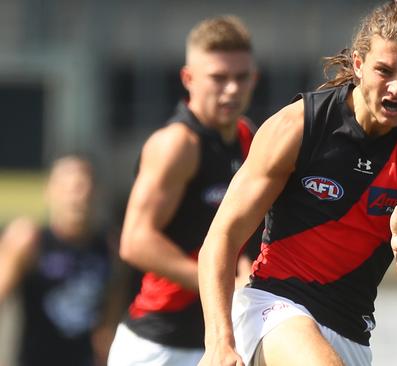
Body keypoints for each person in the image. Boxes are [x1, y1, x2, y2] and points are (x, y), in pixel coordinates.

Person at [196, 1, 397, 365]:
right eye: (384, 71)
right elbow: (221, 238)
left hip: (351, 332)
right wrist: (219, 343)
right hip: (273, 307)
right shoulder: (298, 126)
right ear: (358, 64)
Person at [107, 15, 260, 366]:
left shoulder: (248, 138)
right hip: (158, 344)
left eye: (242, 77)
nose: (232, 89)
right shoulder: (177, 145)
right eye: (219, 78)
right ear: (188, 79)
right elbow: (135, 240)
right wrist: (218, 283)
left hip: (219, 343)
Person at [0, 154, 126, 366]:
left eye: (84, 187)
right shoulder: (30, 241)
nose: (77, 196)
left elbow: (110, 321)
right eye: (69, 188)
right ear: (49, 192)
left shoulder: (111, 247)